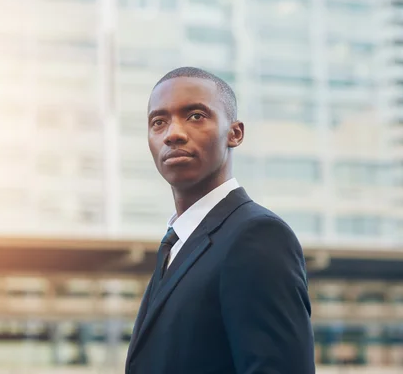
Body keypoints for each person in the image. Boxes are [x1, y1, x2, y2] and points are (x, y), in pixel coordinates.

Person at [125, 67, 315, 374]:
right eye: (158, 122)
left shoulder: (258, 236)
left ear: (235, 133)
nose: (173, 133)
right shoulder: (177, 243)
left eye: (196, 116)